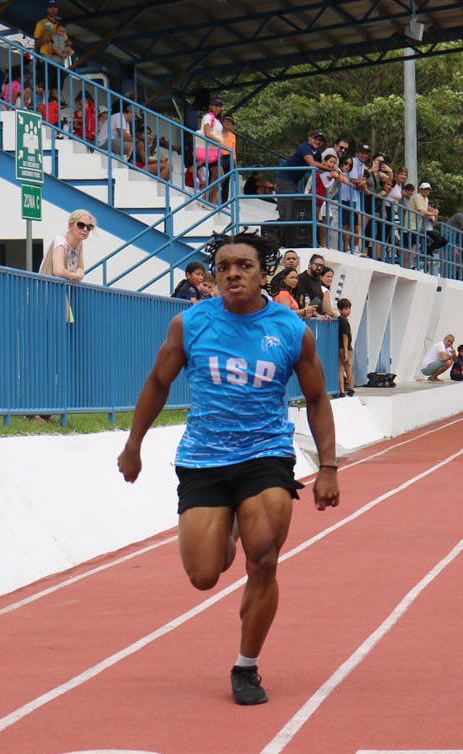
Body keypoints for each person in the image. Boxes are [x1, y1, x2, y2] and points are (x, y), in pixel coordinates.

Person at [116, 229, 340, 706]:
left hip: (266, 456)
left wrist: (328, 467)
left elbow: (318, 398)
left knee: (264, 560)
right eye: (224, 267)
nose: (233, 273)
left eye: (243, 266)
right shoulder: (190, 324)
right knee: (204, 574)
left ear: (263, 273)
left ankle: (247, 667)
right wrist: (133, 444)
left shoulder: (289, 328)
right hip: (204, 458)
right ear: (213, 276)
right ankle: (229, 529)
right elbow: (158, 382)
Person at [276, 130, 327, 245]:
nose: (317, 141)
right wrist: (329, 169)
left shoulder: (317, 153)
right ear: (310, 139)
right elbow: (312, 163)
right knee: (287, 211)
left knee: (293, 211)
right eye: (316, 138)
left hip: (294, 182)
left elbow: (320, 166)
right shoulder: (305, 147)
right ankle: (284, 241)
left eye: (320, 140)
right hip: (285, 179)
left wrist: (334, 171)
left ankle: (288, 240)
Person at [38, 209, 93, 281]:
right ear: (70, 226)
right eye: (81, 225)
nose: (85, 229)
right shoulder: (61, 241)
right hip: (47, 287)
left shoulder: (79, 244)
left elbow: (81, 271)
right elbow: (58, 271)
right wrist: (75, 275)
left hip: (64, 289)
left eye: (89, 227)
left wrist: (78, 274)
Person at [196, 96, 224, 202]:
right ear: (211, 106)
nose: (218, 108)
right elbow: (207, 133)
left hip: (215, 151)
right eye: (216, 105)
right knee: (220, 176)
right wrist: (219, 141)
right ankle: (205, 199)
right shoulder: (208, 116)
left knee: (217, 177)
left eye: (220, 106)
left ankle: (209, 200)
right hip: (210, 150)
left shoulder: (216, 119)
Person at [337, 297, 355, 396]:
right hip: (346, 348)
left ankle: (342, 390)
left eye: (349, 308)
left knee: (340, 369)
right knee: (347, 368)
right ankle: (351, 388)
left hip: (339, 347)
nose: (348, 311)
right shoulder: (344, 321)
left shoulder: (338, 320)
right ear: (340, 310)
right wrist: (346, 351)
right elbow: (345, 337)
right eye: (346, 309)